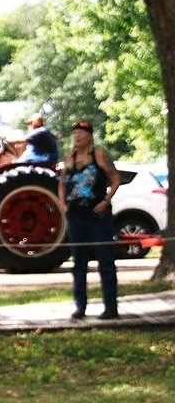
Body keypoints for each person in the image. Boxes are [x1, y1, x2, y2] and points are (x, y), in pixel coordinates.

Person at [59, 120, 121, 320]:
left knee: (105, 262)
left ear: (90, 136)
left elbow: (115, 178)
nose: (77, 136)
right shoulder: (70, 157)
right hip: (76, 217)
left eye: (82, 133)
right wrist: (63, 204)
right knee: (79, 263)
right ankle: (80, 306)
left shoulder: (99, 155)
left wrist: (106, 200)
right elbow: (62, 182)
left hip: (98, 216)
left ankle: (111, 308)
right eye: (75, 132)